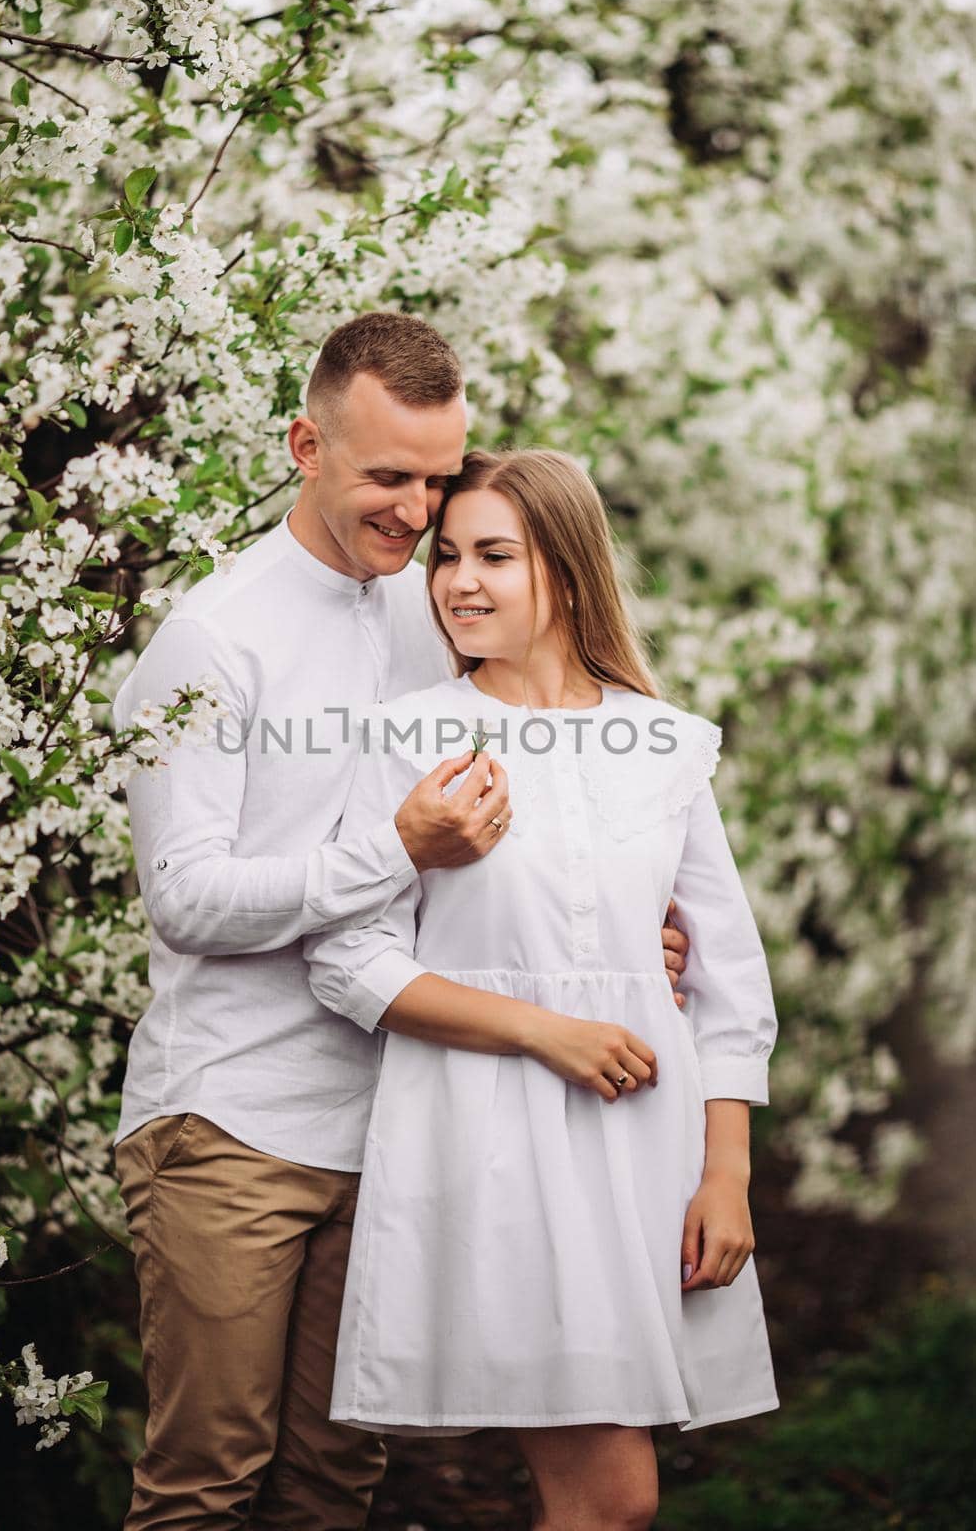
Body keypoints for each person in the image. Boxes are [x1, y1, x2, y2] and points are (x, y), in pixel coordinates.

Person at [112, 315, 691, 1531]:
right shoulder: (211, 641)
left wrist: (626, 928)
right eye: (388, 476)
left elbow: (524, 824)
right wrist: (392, 850)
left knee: (335, 1489)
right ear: (303, 445)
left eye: (436, 479)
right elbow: (186, 896)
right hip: (233, 1120)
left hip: (400, 1122)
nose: (417, 510)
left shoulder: (439, 607)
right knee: (203, 1487)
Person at [304, 447, 780, 1531]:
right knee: (611, 1498)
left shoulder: (662, 744)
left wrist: (726, 1173)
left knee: (605, 1500)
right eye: (447, 557)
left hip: (640, 1156)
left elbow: (724, 981)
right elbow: (347, 959)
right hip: (488, 1141)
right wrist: (542, 1031)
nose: (457, 581)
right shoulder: (407, 737)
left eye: (493, 557)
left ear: (562, 570)